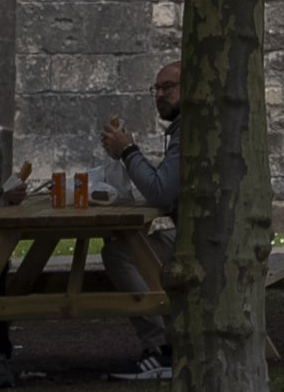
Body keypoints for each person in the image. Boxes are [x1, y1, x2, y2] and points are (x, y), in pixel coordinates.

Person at [96, 58, 180, 381]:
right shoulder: (183, 131)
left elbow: (160, 192)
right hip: (205, 233)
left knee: (120, 252)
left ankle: (161, 349)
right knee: (124, 247)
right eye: (156, 89)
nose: (160, 94)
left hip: (210, 241)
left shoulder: (188, 132)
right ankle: (165, 344)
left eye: (168, 87)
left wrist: (129, 151)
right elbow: (166, 188)